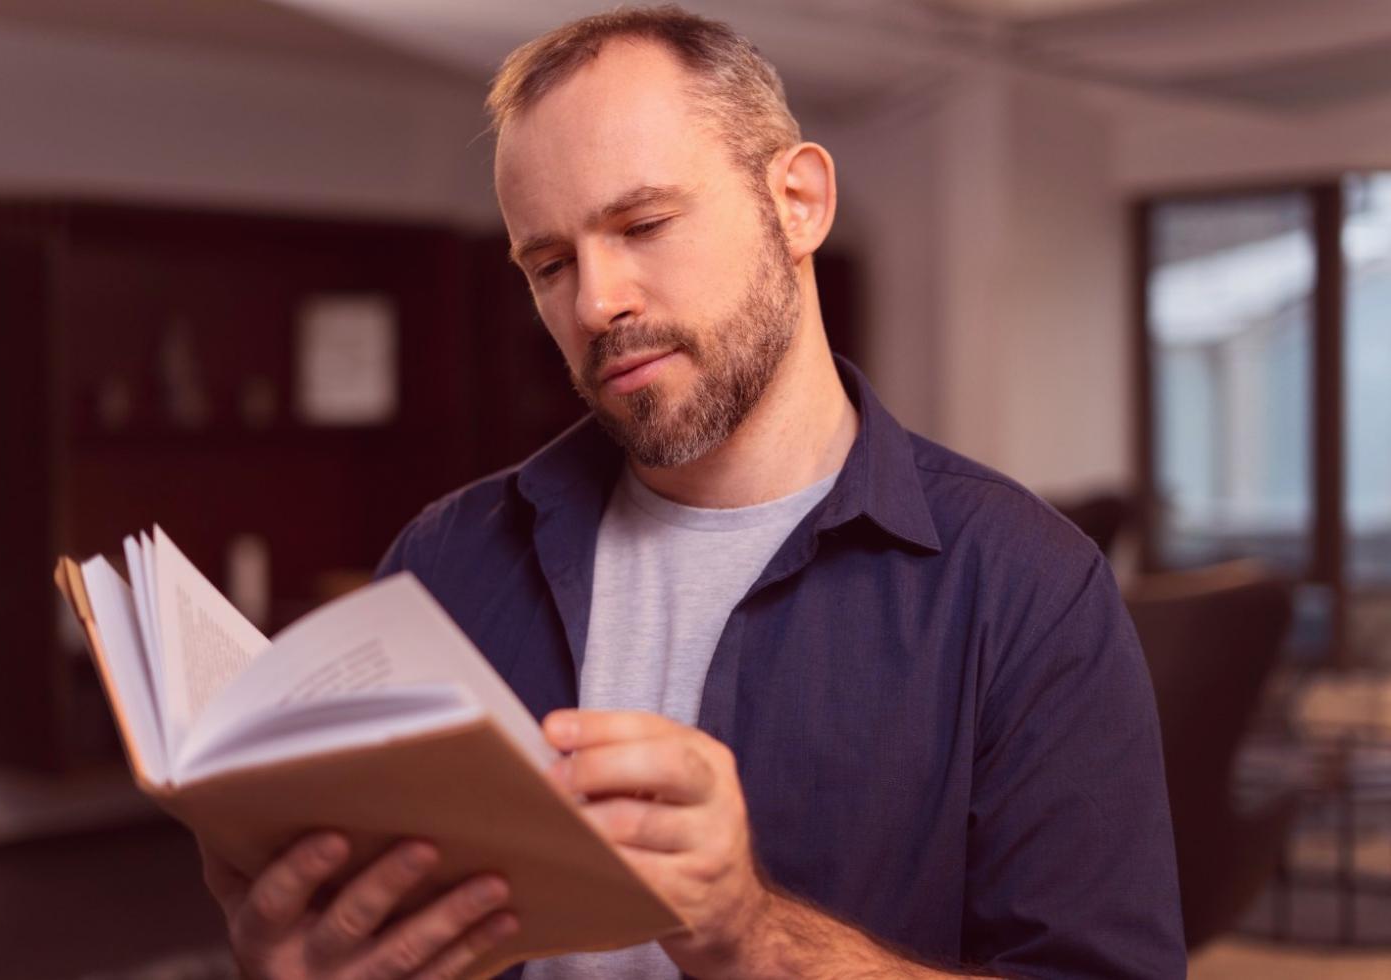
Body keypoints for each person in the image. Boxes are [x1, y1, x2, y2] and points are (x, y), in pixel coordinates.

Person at [197, 6, 1186, 979]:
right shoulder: (440, 564)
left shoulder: (1027, 588)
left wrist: (755, 938)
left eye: (645, 222)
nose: (595, 301)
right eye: (548, 264)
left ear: (797, 202)